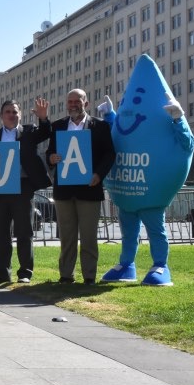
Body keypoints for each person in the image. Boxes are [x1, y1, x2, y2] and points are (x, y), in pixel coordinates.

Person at [46, 89, 115, 285]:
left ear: (86, 103)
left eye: (78, 101)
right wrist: (51, 158)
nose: (73, 104)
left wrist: (98, 174)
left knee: (88, 236)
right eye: (70, 101)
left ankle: (89, 276)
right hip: (64, 191)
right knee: (66, 237)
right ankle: (66, 275)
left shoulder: (100, 126)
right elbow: (50, 153)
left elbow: (109, 154)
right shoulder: (58, 126)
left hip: (89, 189)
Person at [0, 98, 51, 286]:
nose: (12, 115)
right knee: (1, 234)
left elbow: (46, 132)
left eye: (15, 112)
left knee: (24, 232)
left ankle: (25, 273)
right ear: (1, 116)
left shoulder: (28, 132)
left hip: (23, 188)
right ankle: (2, 274)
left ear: (20, 115)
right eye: (8, 112)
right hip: (0, 189)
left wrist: (43, 118)